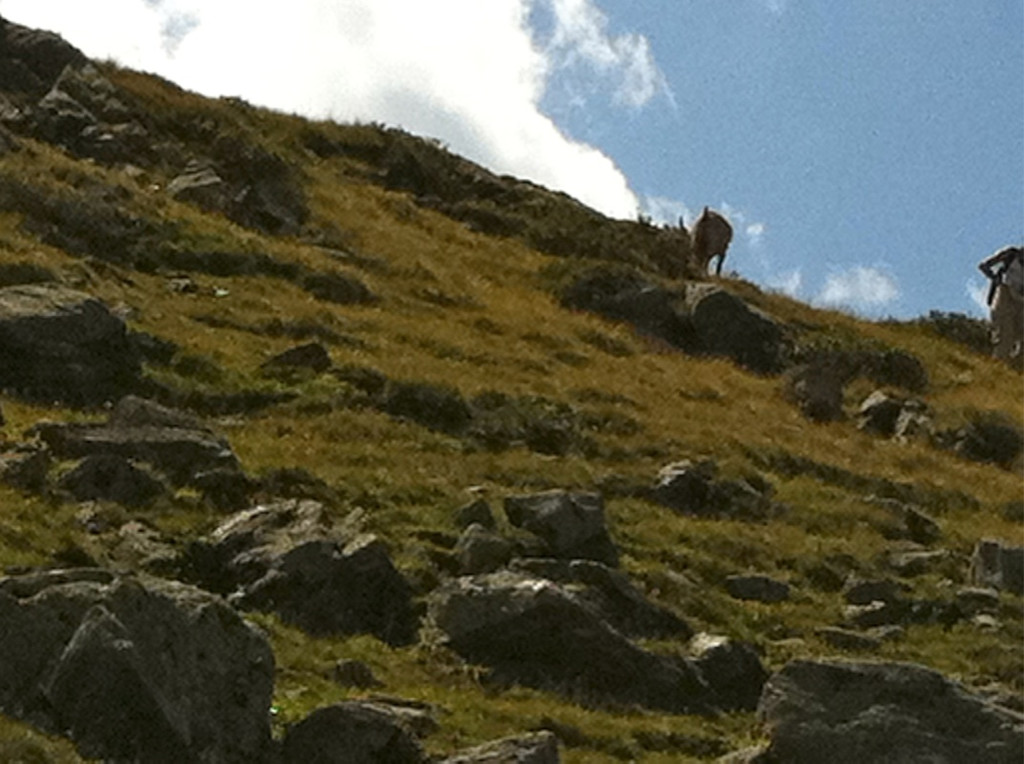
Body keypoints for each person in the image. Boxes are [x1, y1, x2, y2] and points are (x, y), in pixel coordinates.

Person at [978, 246, 1024, 363]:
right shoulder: (1011, 254)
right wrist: (995, 279)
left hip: (1021, 301)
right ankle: (997, 365)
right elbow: (984, 266)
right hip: (1005, 294)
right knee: (1005, 335)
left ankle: (1013, 368)